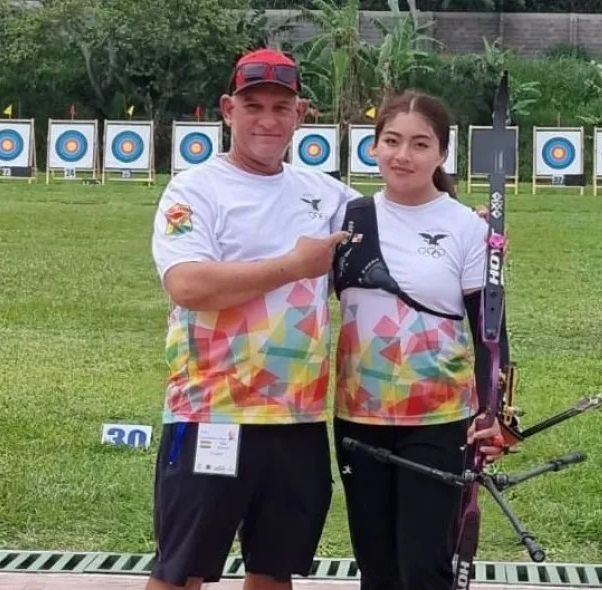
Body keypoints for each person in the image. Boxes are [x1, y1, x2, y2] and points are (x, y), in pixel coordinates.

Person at [148, 47, 360, 590]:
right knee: (182, 570)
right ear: (227, 109)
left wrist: (461, 221)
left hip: (296, 419)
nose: (267, 120)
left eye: (280, 108)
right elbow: (188, 285)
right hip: (211, 414)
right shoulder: (196, 188)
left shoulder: (324, 193)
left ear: (300, 114)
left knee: (274, 567)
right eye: (253, 106)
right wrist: (293, 266)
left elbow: (395, 227)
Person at [330, 90, 507, 590]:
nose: (402, 155)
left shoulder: (466, 227)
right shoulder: (349, 219)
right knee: (377, 567)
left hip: (439, 420)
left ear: (442, 154)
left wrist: (493, 414)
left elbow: (490, 331)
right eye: (391, 141)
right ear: (374, 146)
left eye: (419, 144)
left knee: (424, 567)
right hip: (357, 416)